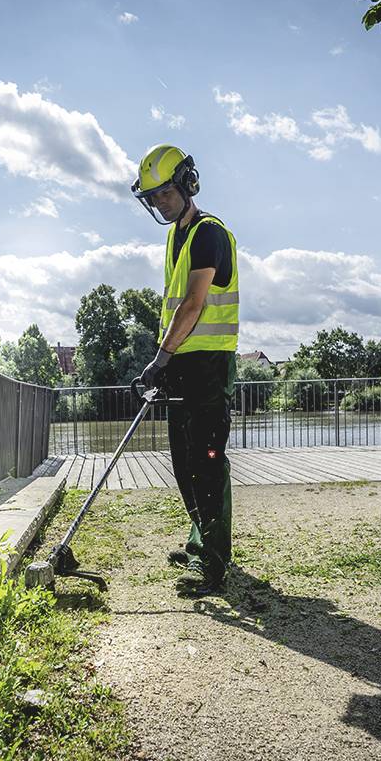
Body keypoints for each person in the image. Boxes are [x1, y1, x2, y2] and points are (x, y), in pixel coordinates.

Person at [131, 144, 239, 593]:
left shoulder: (209, 233)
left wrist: (160, 358)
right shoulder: (175, 237)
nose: (161, 202)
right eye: (153, 197)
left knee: (206, 461)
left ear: (187, 184)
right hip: (181, 360)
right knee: (182, 462)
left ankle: (213, 563)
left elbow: (194, 303)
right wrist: (166, 360)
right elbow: (175, 307)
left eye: (166, 193)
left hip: (209, 363)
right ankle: (200, 542)